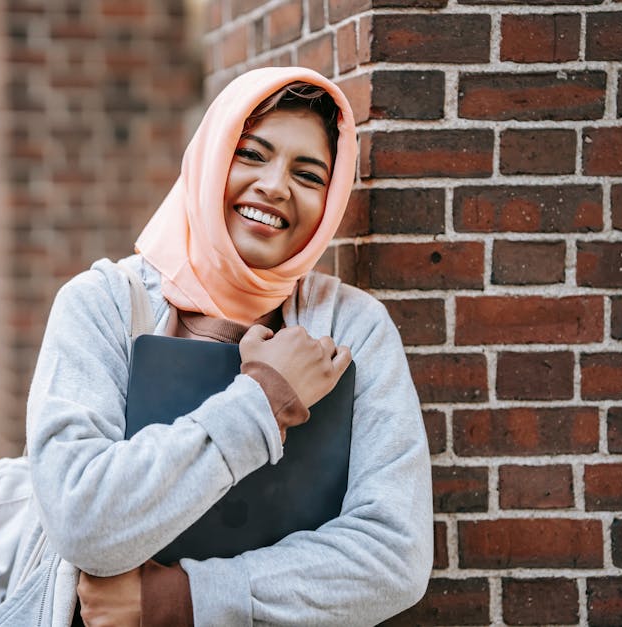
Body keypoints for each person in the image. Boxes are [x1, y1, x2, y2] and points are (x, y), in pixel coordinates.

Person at [22, 66, 433, 627]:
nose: (275, 185)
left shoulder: (353, 329)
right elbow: (84, 524)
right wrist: (262, 401)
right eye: (252, 154)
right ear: (211, 158)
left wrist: (186, 599)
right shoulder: (104, 306)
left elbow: (394, 557)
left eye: (309, 175)